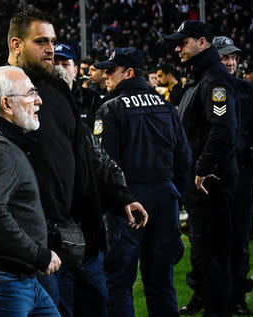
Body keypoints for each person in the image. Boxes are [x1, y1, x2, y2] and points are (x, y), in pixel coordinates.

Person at [0, 8, 148, 317]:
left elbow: (85, 154)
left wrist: (120, 195)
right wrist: (25, 246)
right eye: (41, 41)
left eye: (52, 41)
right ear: (16, 44)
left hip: (80, 240)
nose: (51, 50)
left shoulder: (55, 90)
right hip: (32, 254)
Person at [93, 47, 192, 317]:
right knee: (162, 282)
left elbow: (104, 164)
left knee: (119, 283)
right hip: (164, 198)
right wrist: (176, 195)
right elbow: (185, 158)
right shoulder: (166, 107)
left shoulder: (110, 108)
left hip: (127, 204)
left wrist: (113, 201)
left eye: (111, 70)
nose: (105, 76)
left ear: (129, 72)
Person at [0, 65, 61, 316]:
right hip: (3, 281)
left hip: (15, 278)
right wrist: (37, 255)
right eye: (30, 94)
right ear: (6, 104)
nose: (38, 100)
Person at [165, 20, 238, 317]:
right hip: (202, 183)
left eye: (184, 42)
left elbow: (222, 130)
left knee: (214, 255)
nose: (177, 47)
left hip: (210, 183)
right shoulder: (201, 76)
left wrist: (202, 168)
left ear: (203, 43)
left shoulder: (214, 79)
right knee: (205, 255)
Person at [212, 35, 253, 315]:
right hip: (212, 177)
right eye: (224, 57)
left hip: (242, 174)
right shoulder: (205, 88)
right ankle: (207, 295)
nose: (230, 61)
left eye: (232, 57)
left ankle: (238, 297)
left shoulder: (249, 91)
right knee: (209, 240)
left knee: (240, 238)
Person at [54, 43, 102, 129]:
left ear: (75, 71)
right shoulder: (38, 99)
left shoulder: (93, 99)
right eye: (55, 64)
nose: (60, 69)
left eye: (65, 64)